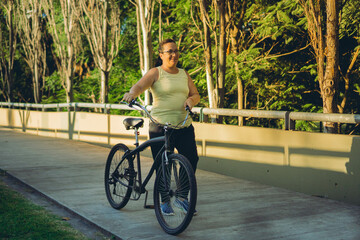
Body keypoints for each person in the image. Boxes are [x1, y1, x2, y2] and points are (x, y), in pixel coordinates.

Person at [123, 38, 200, 216]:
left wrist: (191, 100)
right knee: (163, 165)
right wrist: (131, 94)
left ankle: (181, 198)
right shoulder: (155, 73)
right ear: (161, 55)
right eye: (170, 51)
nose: (174, 54)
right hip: (160, 126)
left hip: (184, 125)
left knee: (191, 160)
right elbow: (139, 86)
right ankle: (164, 201)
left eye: (176, 51)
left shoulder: (183, 73)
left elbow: (195, 94)